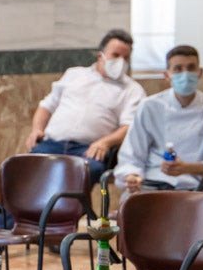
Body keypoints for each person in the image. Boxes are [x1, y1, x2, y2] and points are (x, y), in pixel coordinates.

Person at [27, 28, 146, 185]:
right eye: (116, 55)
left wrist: (105, 142)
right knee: (23, 171)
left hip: (88, 150)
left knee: (82, 174)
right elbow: (47, 106)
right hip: (51, 144)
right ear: (100, 56)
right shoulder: (74, 74)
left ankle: (61, 209)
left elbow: (129, 126)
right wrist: (36, 129)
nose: (121, 62)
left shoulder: (132, 90)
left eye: (126, 58)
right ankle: (6, 211)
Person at [114, 45, 203, 194]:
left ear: (200, 73)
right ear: (167, 75)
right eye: (178, 69)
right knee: (129, 209)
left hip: (193, 188)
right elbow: (132, 154)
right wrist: (132, 176)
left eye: (191, 68)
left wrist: (187, 168)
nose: (185, 75)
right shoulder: (149, 106)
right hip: (150, 183)